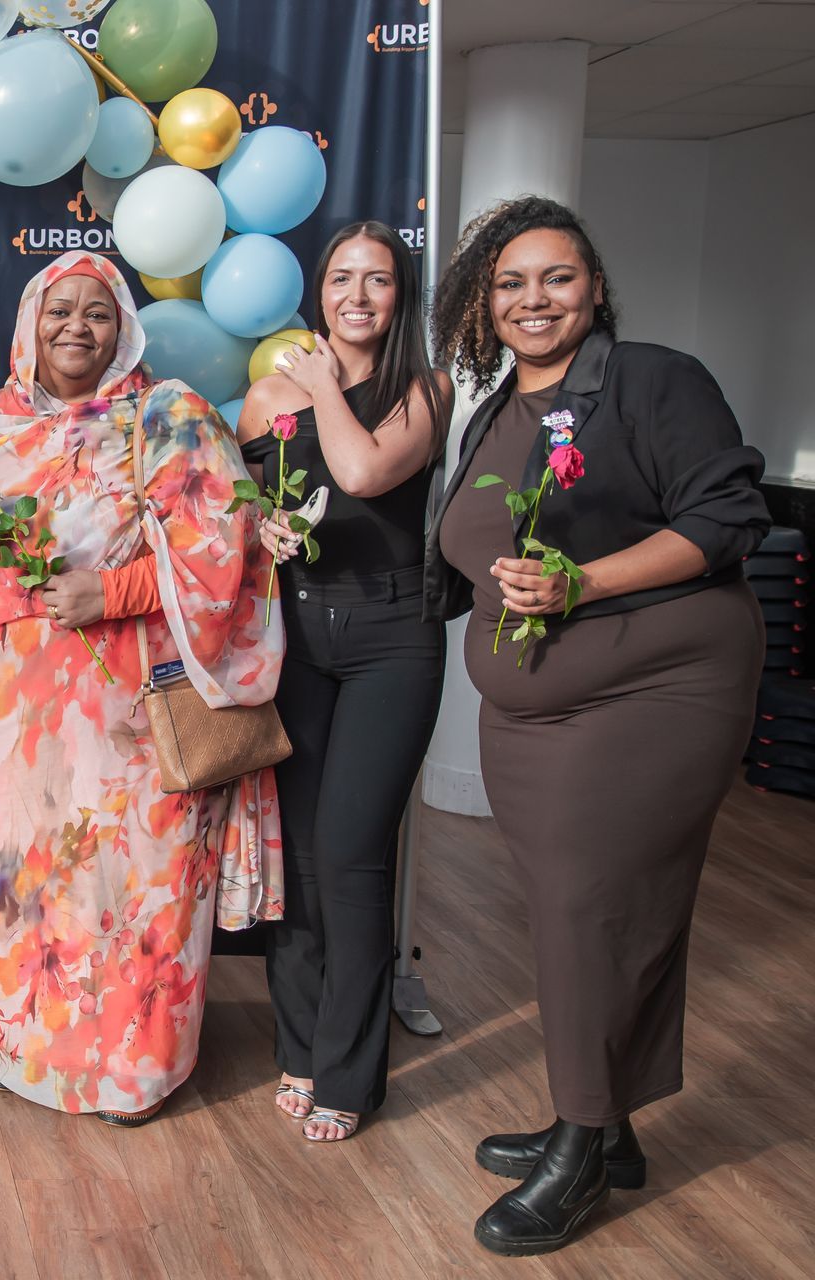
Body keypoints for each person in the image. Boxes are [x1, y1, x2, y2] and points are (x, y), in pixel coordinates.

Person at [427, 196, 769, 1256]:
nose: (536, 300)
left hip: (655, 686)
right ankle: (608, 1122)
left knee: (587, 906)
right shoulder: (492, 407)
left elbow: (725, 516)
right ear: (485, 301)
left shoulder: (652, 378)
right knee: (598, 910)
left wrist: (582, 583)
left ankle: (579, 1152)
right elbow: (471, 552)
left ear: (595, 288)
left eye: (558, 278)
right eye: (513, 282)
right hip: (537, 710)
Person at [0, 249, 284, 1126]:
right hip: (6, 713)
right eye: (60, 311)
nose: (76, 328)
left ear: (125, 326)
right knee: (19, 889)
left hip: (133, 708)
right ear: (28, 323)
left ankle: (135, 1073)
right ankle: (22, 1055)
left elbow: (222, 552)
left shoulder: (170, 416)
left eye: (98, 312)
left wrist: (113, 591)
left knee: (133, 891)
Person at [237, 222, 452, 1143]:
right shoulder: (263, 399)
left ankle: (351, 1075)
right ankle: (300, 1046)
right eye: (340, 278)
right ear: (318, 290)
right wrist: (259, 532)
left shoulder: (424, 389)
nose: (357, 295)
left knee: (356, 858)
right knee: (303, 861)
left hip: (392, 640)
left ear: (402, 296)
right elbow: (235, 509)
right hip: (298, 639)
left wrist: (322, 383)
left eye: (378, 280)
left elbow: (362, 471)